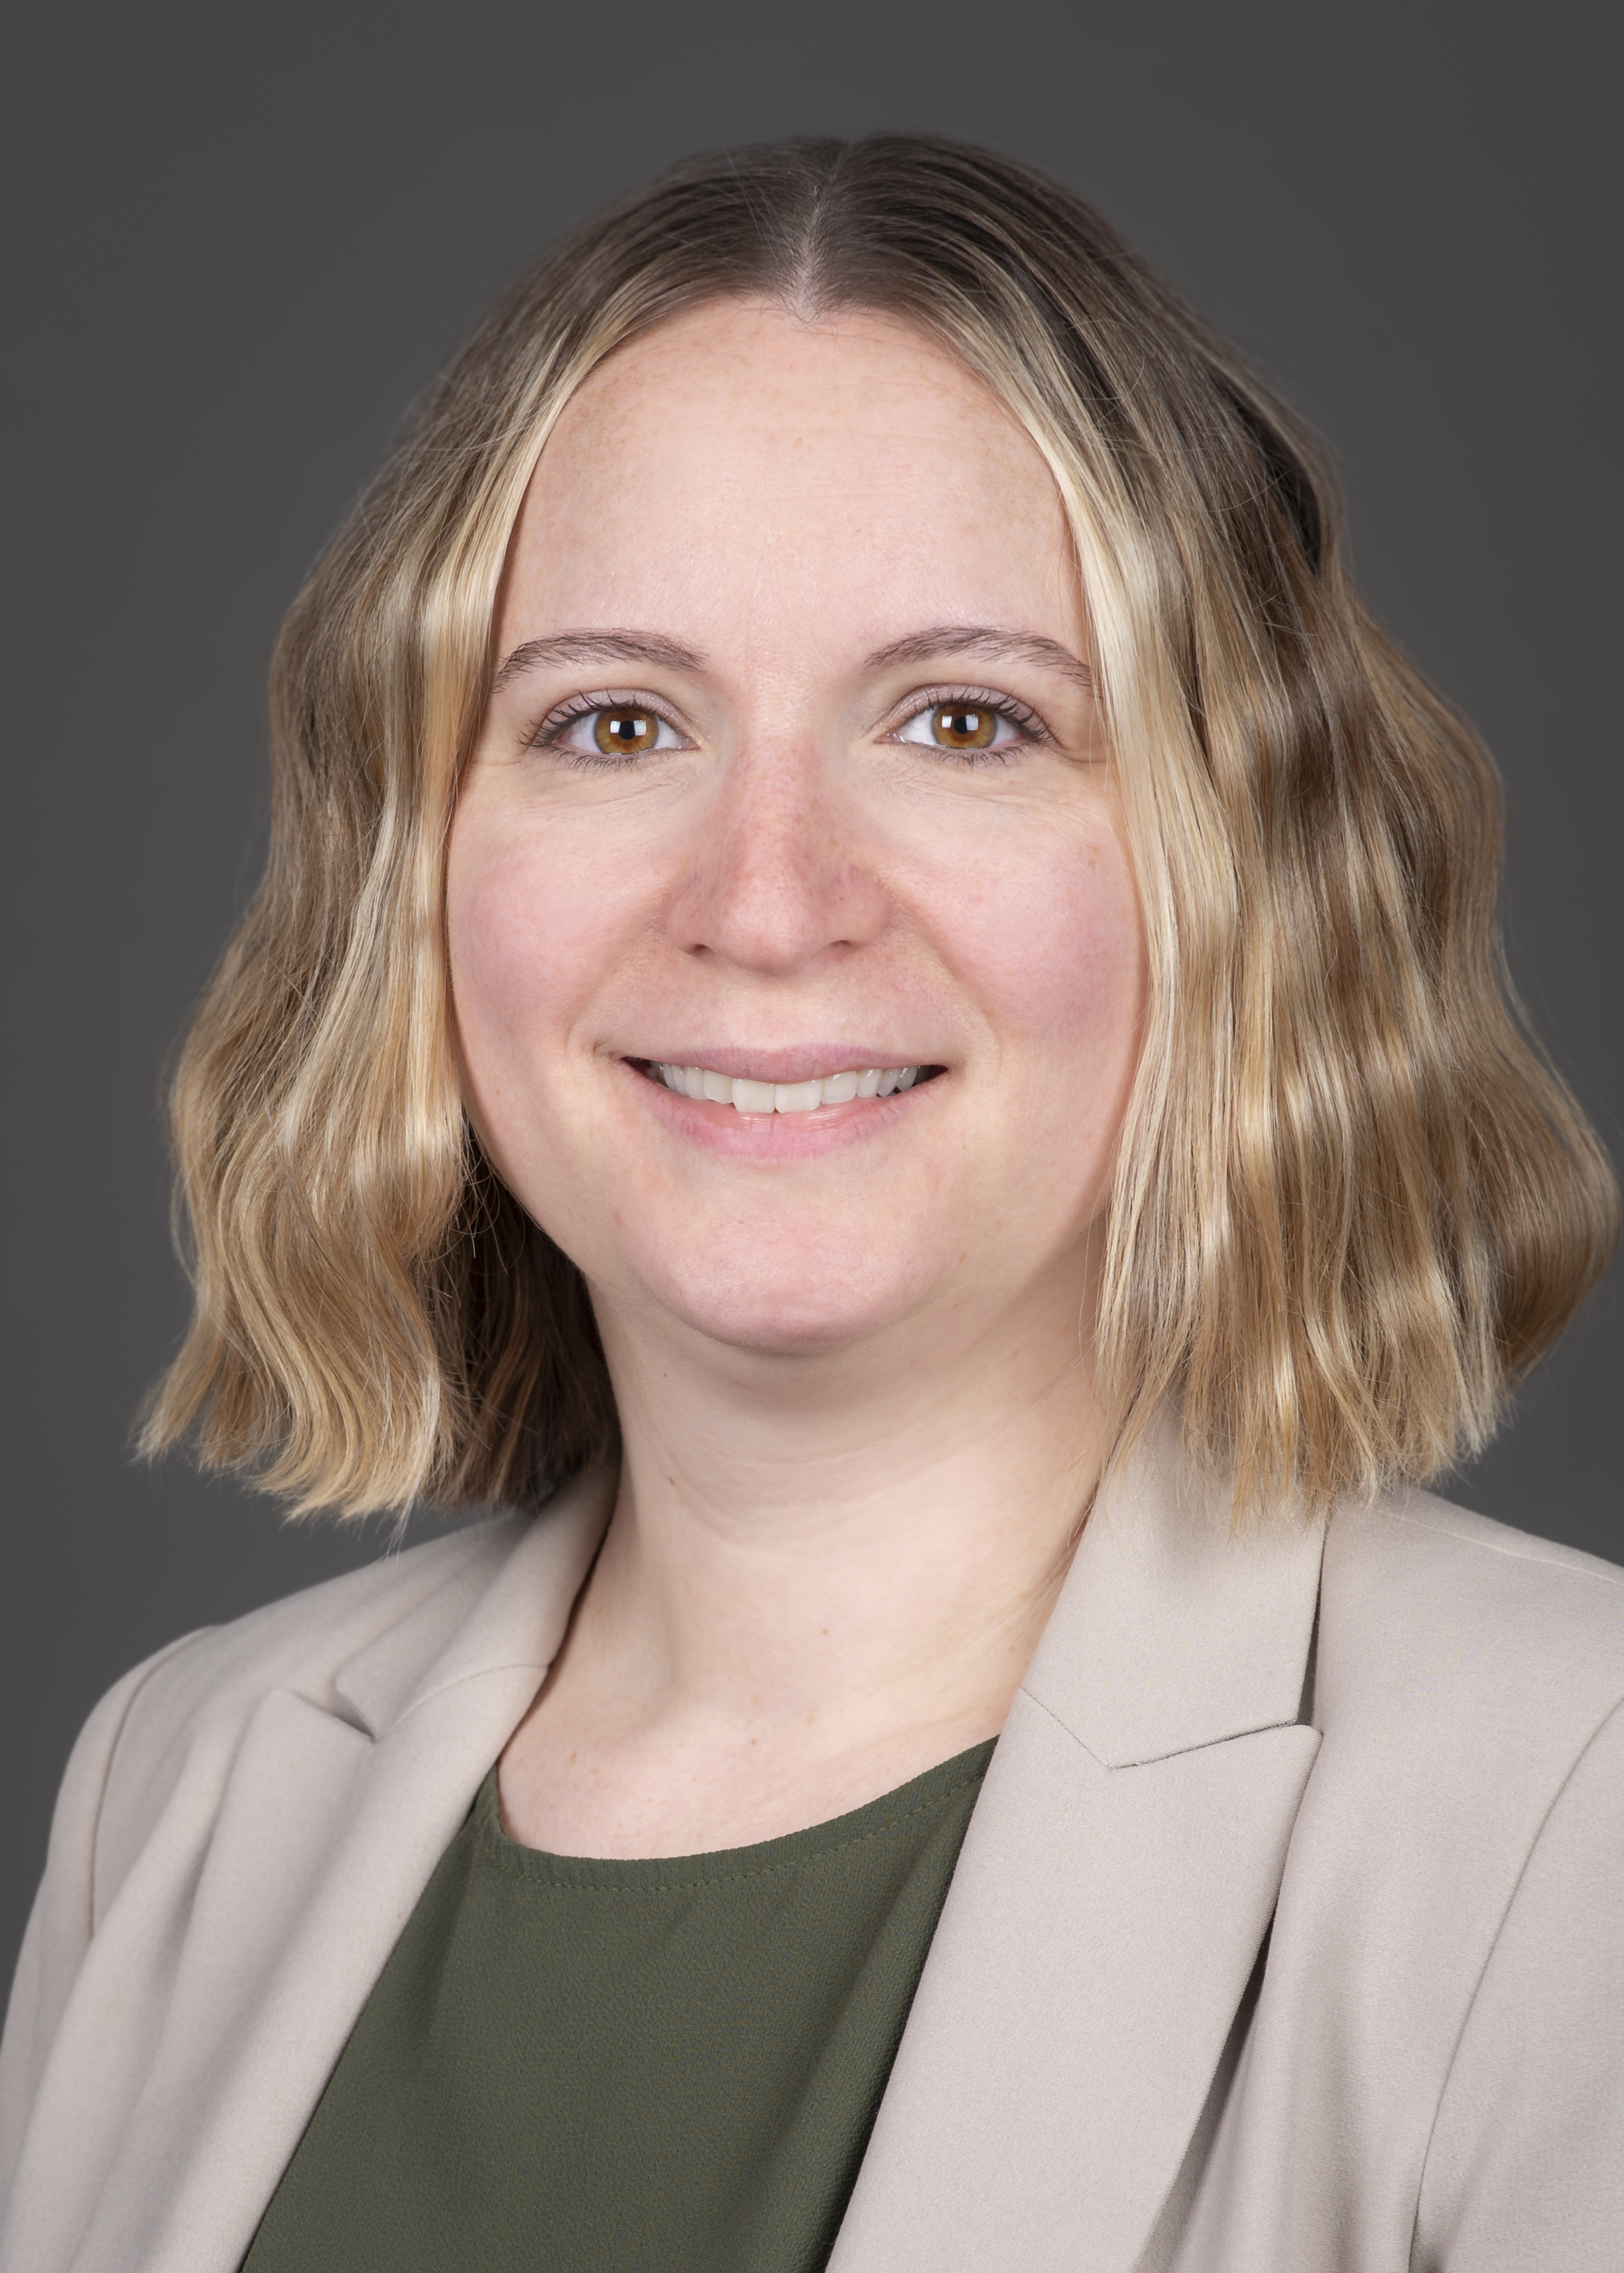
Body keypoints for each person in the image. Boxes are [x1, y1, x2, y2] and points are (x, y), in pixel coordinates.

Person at [1, 135, 1619, 2273]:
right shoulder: (176, 1790)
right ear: (421, 860)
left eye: (963, 720)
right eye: (611, 721)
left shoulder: (1564, 1816)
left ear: (1233, 868)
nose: (765, 903)